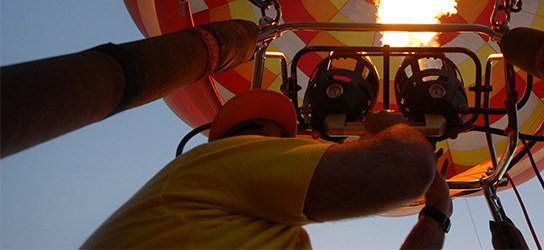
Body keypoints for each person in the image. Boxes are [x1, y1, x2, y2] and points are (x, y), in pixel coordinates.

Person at [82, 89, 452, 249]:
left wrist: (436, 215)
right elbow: (402, 167)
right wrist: (393, 126)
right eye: (266, 136)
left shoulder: (261, 229)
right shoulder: (214, 162)